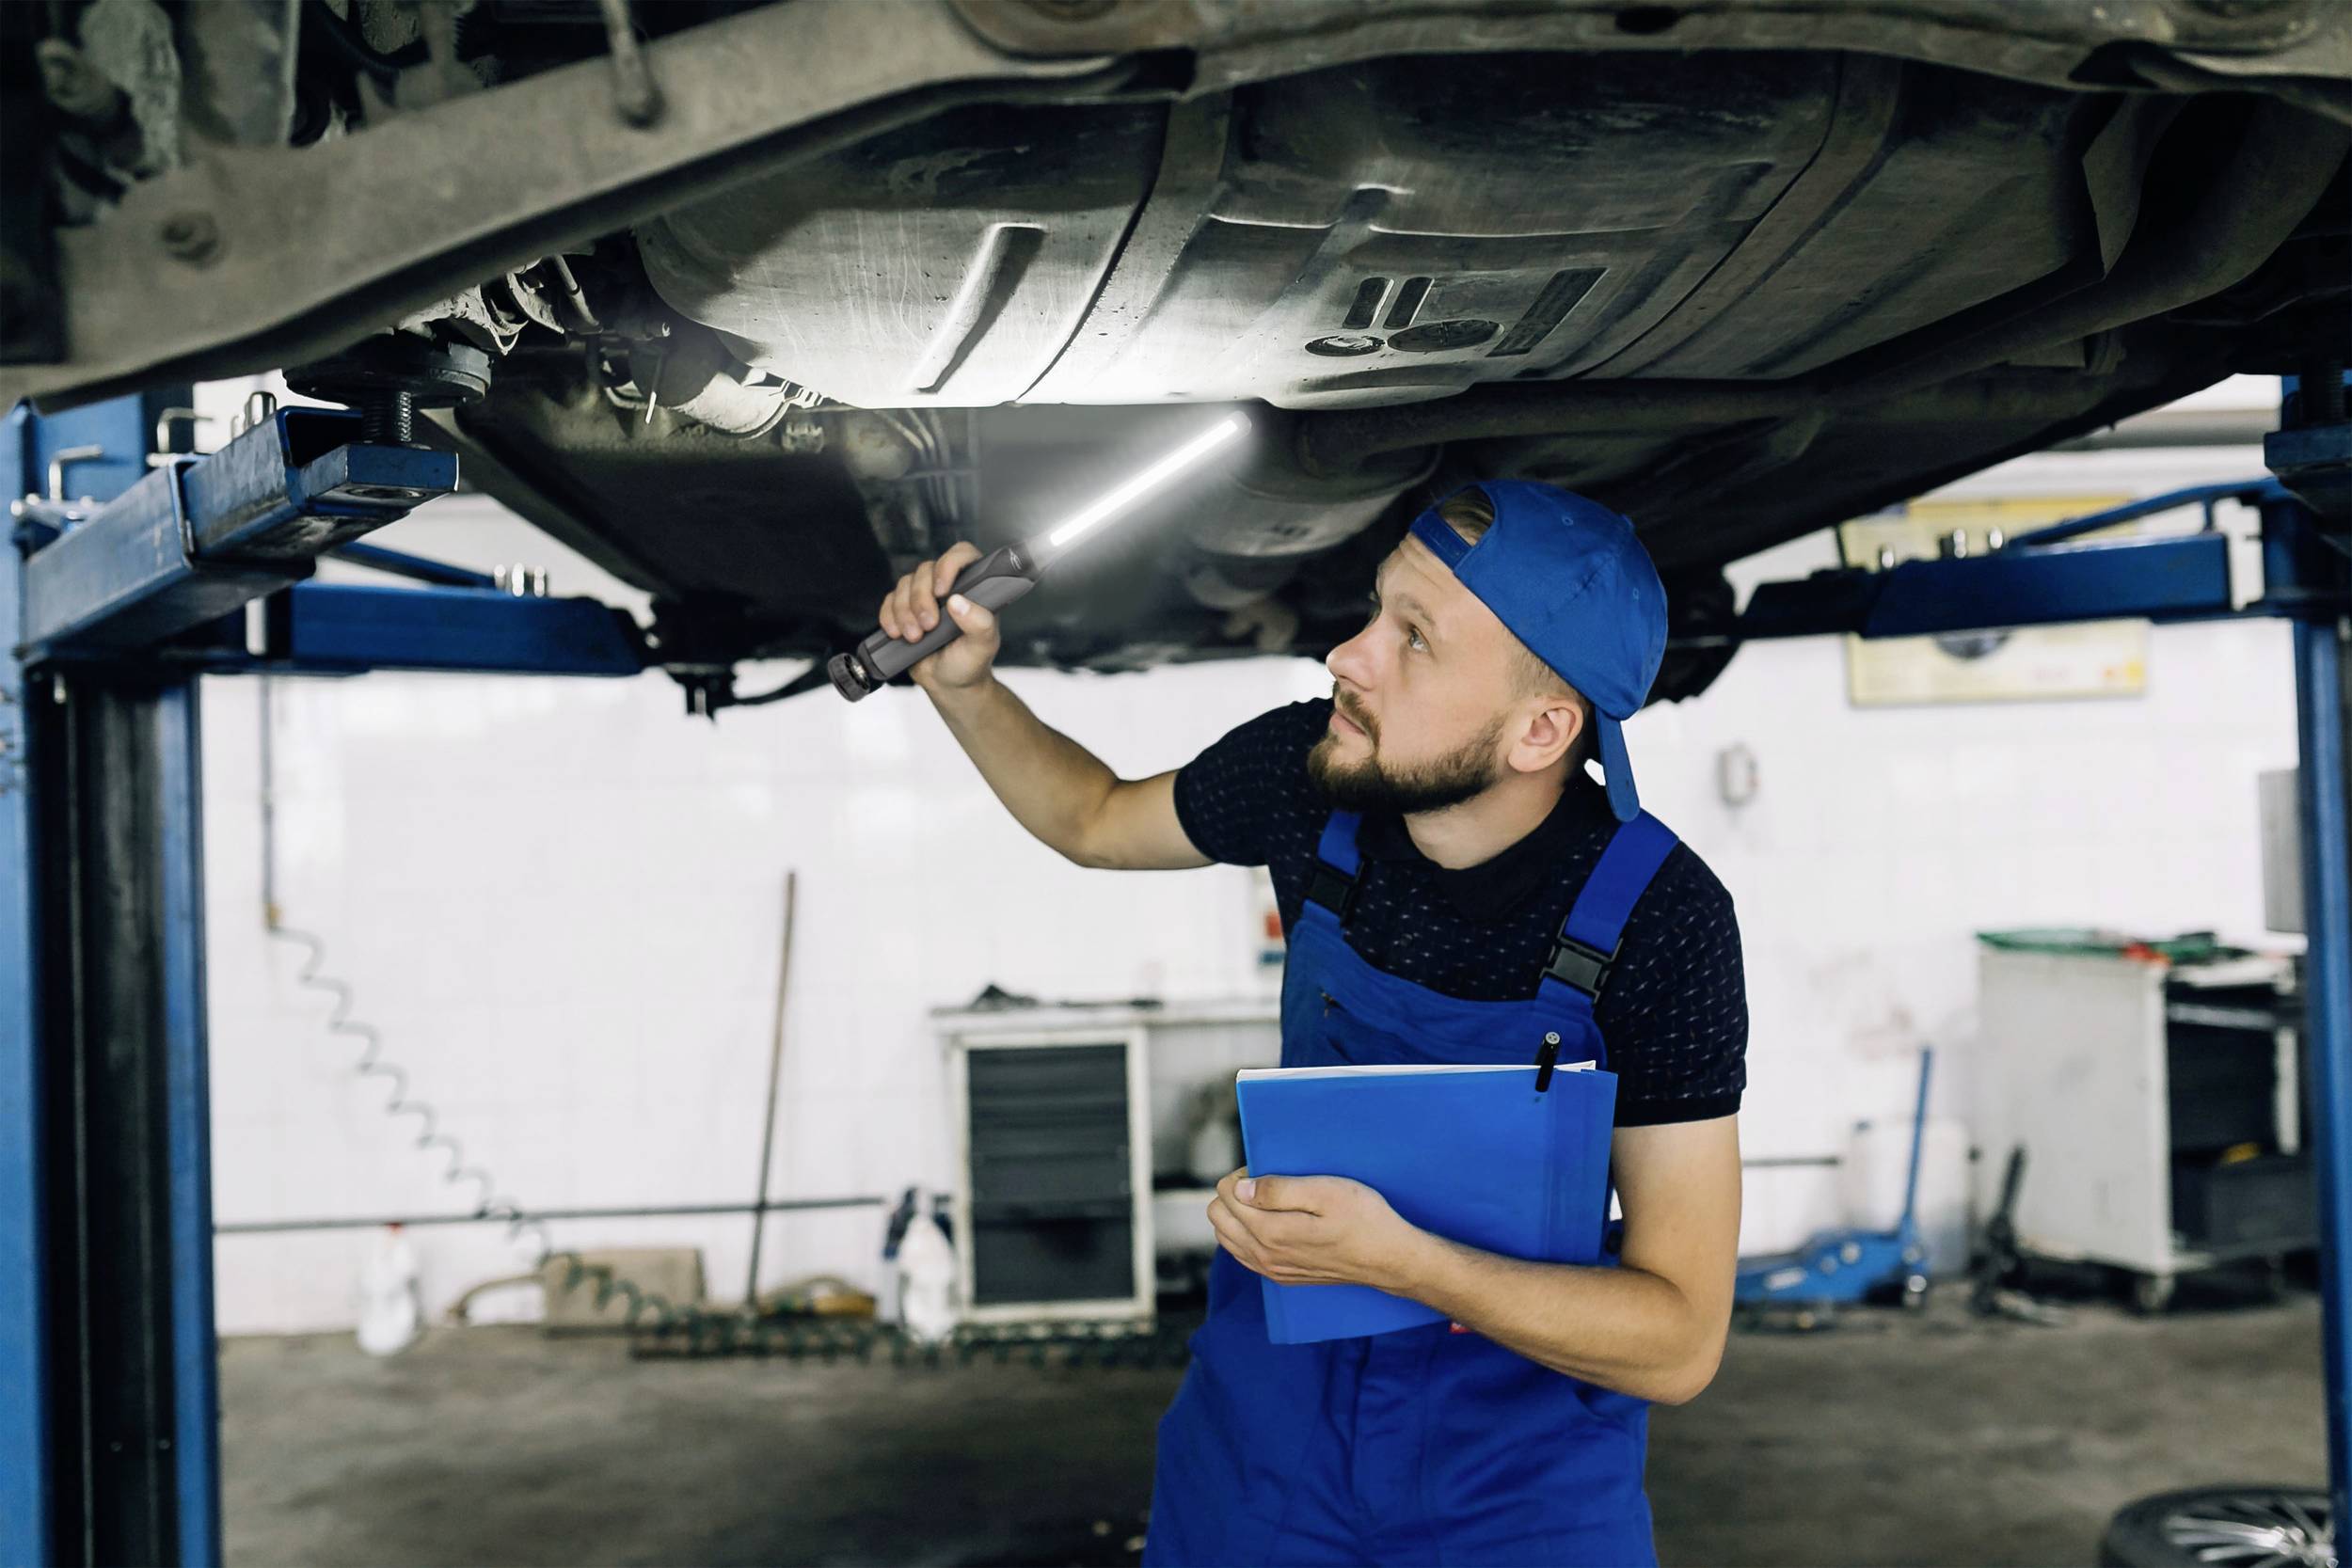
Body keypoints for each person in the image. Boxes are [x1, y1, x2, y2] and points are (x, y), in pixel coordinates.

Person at [877, 480, 1746, 1567]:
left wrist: (1408, 1262)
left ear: (1541, 729)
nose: (1347, 654)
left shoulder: (1660, 918)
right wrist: (962, 686)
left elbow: (1678, 1341)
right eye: (1378, 607)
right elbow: (1092, 817)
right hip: (1266, 1446)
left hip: (1520, 1478)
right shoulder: (1311, 776)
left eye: (1414, 638)